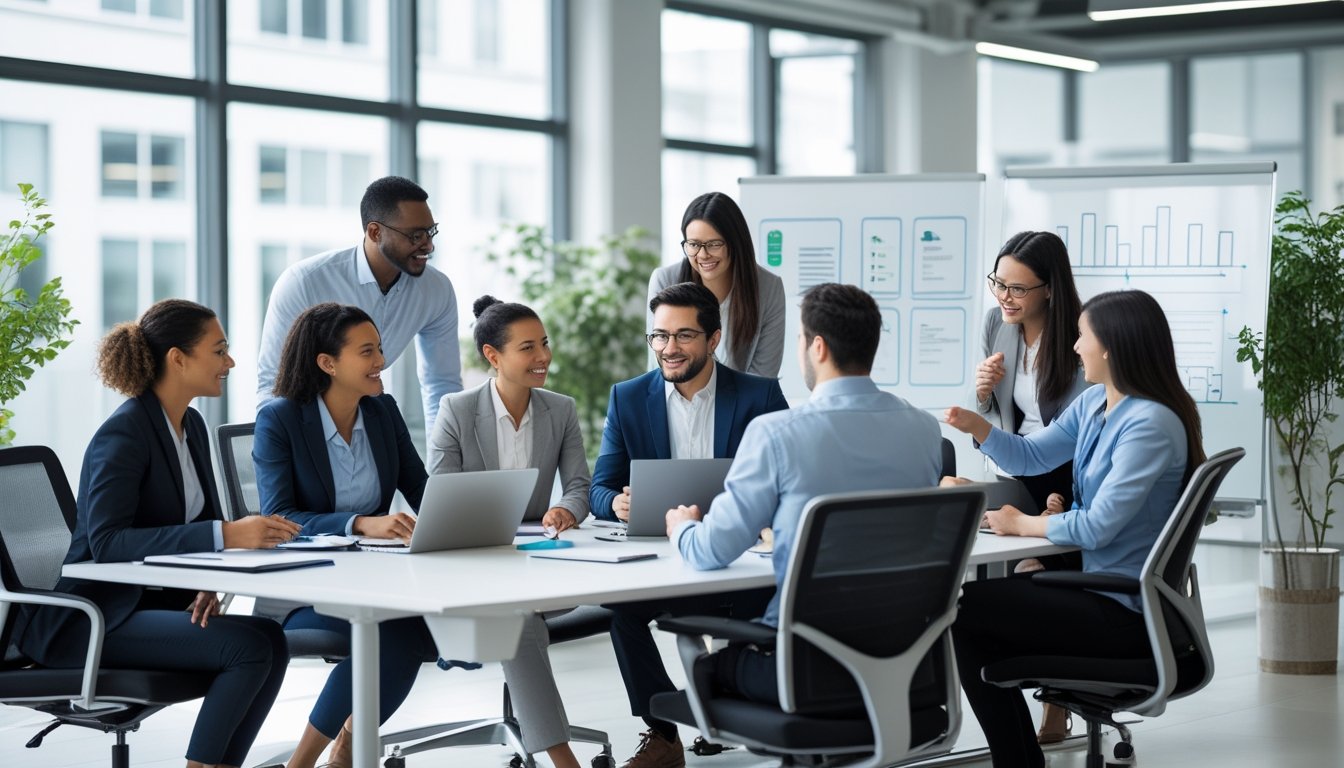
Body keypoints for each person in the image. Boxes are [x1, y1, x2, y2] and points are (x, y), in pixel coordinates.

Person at [14, 299, 298, 768]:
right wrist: (226, 534)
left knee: (272, 638)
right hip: (95, 619)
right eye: (219, 351)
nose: (230, 362)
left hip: (148, 606)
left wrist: (206, 582)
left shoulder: (191, 425)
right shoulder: (124, 433)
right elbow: (107, 544)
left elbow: (198, 523)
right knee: (247, 648)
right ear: (178, 359)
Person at [944, 289, 1205, 768]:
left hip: (1126, 610)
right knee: (974, 616)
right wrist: (977, 427)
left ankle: (1019, 761)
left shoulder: (1150, 423)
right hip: (1099, 590)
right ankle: (1019, 759)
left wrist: (1023, 523)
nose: (1075, 346)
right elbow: (1032, 456)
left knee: (965, 612)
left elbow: (1099, 525)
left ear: (1111, 346)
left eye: (1083, 336)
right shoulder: (1094, 404)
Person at [665, 282, 943, 706]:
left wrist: (683, 528)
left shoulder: (777, 433)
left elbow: (711, 551)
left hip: (801, 671)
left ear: (818, 347)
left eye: (799, 338)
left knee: (702, 670)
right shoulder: (923, 428)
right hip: (907, 668)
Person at [591, 281, 788, 768]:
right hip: (664, 563)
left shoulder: (759, 395)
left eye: (683, 335)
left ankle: (751, 714)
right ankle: (663, 735)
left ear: (713, 339)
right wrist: (617, 502)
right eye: (659, 336)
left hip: (743, 562)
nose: (669, 348)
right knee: (621, 613)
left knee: (775, 602)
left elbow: (792, 475)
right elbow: (600, 488)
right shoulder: (628, 397)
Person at [253, 303, 438, 768]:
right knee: (397, 635)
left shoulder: (382, 412)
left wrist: (457, 518)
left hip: (374, 580)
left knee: (422, 628)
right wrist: (358, 523)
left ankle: (349, 742)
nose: (381, 361)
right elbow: (279, 516)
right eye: (367, 351)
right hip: (303, 589)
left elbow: (422, 489)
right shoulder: (280, 419)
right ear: (327, 363)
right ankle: (304, 761)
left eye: (380, 349)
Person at [426, 295, 590, 768]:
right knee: (519, 617)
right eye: (527, 348)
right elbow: (441, 497)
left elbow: (579, 485)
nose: (543, 357)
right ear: (493, 356)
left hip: (538, 567)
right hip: (474, 568)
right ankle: (563, 759)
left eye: (545, 344)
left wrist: (564, 510)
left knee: (520, 614)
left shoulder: (560, 410)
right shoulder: (457, 410)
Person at [973, 230, 1090, 741]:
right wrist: (982, 395)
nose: (1005, 297)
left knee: (1039, 579)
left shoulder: (1081, 338)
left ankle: (1057, 696)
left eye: (1017, 288)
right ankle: (1014, 692)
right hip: (1013, 466)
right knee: (991, 578)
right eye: (999, 283)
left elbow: (1077, 431)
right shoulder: (995, 324)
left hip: (1064, 474)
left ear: (1050, 289)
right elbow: (993, 415)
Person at [256, 175, 461, 427]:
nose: (428, 246)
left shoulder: (436, 290)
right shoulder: (304, 282)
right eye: (415, 236)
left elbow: (442, 385)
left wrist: (446, 452)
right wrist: (280, 448)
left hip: (369, 425)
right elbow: (273, 384)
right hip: (305, 424)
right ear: (375, 232)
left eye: (430, 232)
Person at [647, 192, 786, 378]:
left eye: (714, 244)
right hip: (679, 395)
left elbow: (763, 377)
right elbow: (660, 366)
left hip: (747, 397)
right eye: (694, 244)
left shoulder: (768, 288)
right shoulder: (665, 280)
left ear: (735, 243)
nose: (703, 255)